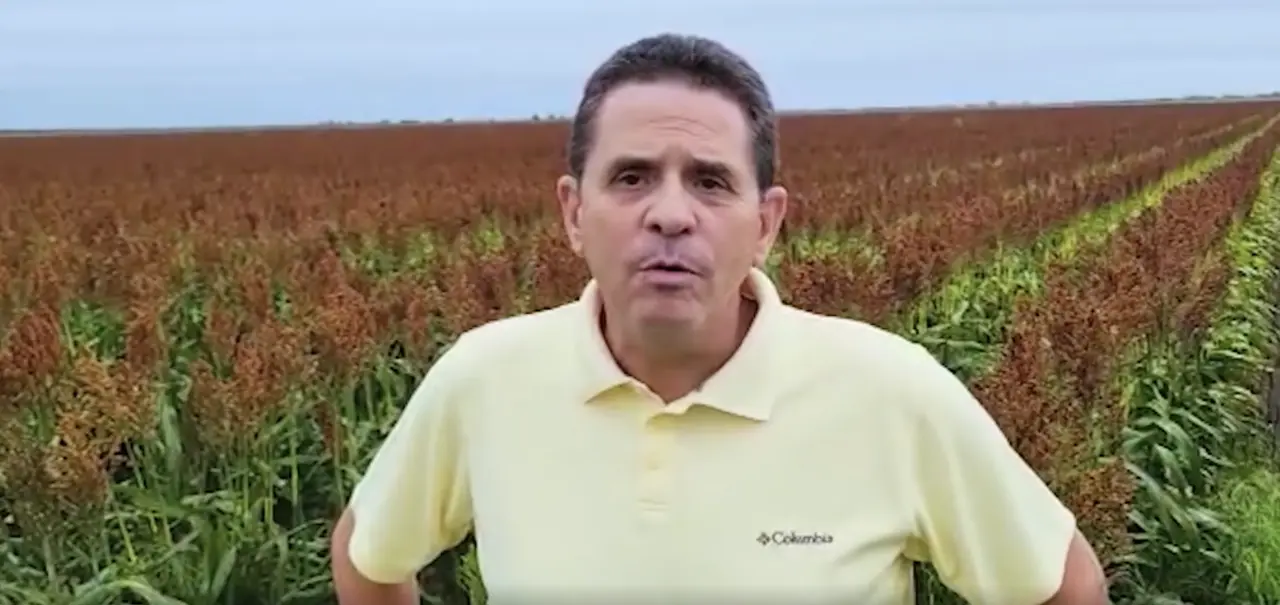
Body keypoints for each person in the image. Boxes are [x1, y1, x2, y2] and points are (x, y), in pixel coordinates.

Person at [330, 32, 1110, 605]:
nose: (670, 215)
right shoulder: (483, 379)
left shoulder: (890, 391)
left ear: (765, 222)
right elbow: (367, 558)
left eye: (709, 182)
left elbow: (1064, 588)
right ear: (574, 211)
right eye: (631, 177)